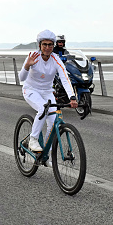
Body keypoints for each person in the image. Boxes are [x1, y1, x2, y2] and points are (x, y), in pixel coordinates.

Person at [19, 30, 77, 158]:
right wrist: (27, 66)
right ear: (39, 45)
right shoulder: (33, 56)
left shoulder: (55, 59)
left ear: (53, 46)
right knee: (43, 108)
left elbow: (65, 78)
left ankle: (45, 154)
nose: (47, 47)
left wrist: (72, 97)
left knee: (53, 122)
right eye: (44, 44)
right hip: (31, 90)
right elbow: (21, 78)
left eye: (50, 44)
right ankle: (33, 139)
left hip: (47, 92)